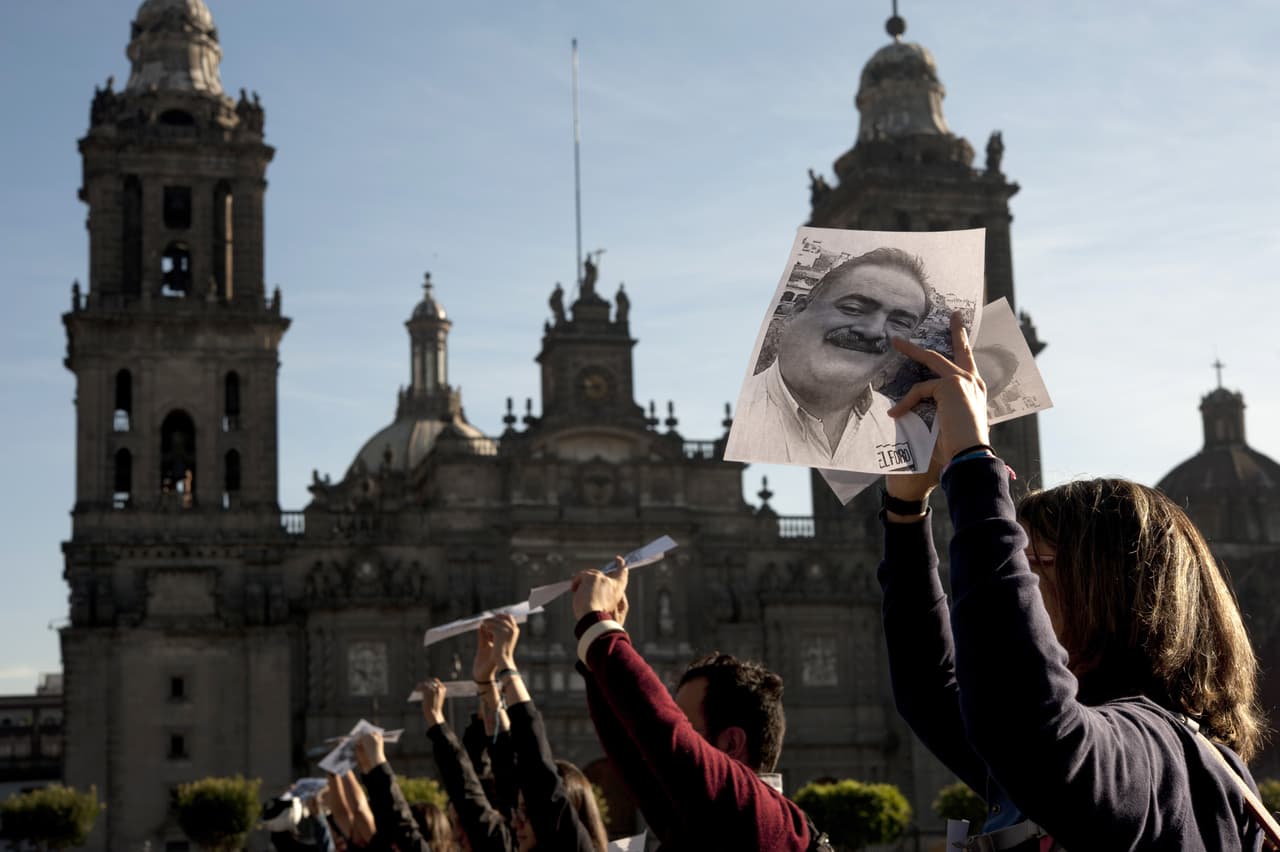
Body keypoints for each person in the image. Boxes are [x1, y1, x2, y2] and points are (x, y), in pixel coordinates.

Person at [878, 312, 1269, 850]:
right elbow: (931, 692)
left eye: (1031, 564)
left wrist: (973, 464)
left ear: (1108, 589)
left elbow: (1021, 719)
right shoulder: (1105, 749)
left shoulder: (1150, 753)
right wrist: (905, 511)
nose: (1021, 589)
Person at [571, 560, 819, 850]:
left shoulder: (752, 811)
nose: (680, 737)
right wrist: (597, 661)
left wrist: (598, 626)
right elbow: (634, 752)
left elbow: (662, 732)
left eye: (688, 728)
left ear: (731, 742)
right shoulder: (702, 816)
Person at [726, 247, 934, 474]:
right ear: (797, 312)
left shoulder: (911, 433)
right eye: (852, 308)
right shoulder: (748, 414)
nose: (873, 331)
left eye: (901, 323)